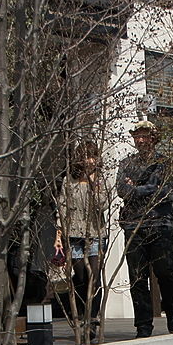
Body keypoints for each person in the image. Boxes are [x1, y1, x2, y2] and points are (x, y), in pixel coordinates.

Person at [116, 119, 173, 338]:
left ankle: (172, 313)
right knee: (137, 277)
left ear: (153, 138)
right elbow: (122, 190)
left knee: (165, 272)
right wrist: (146, 188)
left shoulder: (166, 163)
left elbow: (164, 193)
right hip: (134, 224)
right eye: (137, 135)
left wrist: (137, 188)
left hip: (159, 223)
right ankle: (143, 324)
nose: (140, 140)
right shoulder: (126, 163)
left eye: (144, 135)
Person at [55, 140, 105, 329]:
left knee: (94, 276)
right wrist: (59, 233)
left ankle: (93, 318)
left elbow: (103, 204)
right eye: (85, 156)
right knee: (82, 277)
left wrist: (93, 185)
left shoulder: (100, 179)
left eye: (92, 156)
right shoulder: (70, 180)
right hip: (75, 235)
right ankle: (84, 312)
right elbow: (63, 205)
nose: (89, 161)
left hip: (95, 233)